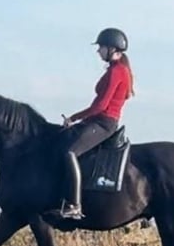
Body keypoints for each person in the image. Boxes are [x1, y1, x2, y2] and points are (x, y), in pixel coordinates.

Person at [53, 27, 135, 220]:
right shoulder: (118, 70)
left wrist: (74, 118)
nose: (98, 51)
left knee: (70, 152)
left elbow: (101, 106)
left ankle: (74, 204)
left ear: (112, 49)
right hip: (100, 120)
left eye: (101, 48)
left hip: (104, 123)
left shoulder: (117, 72)